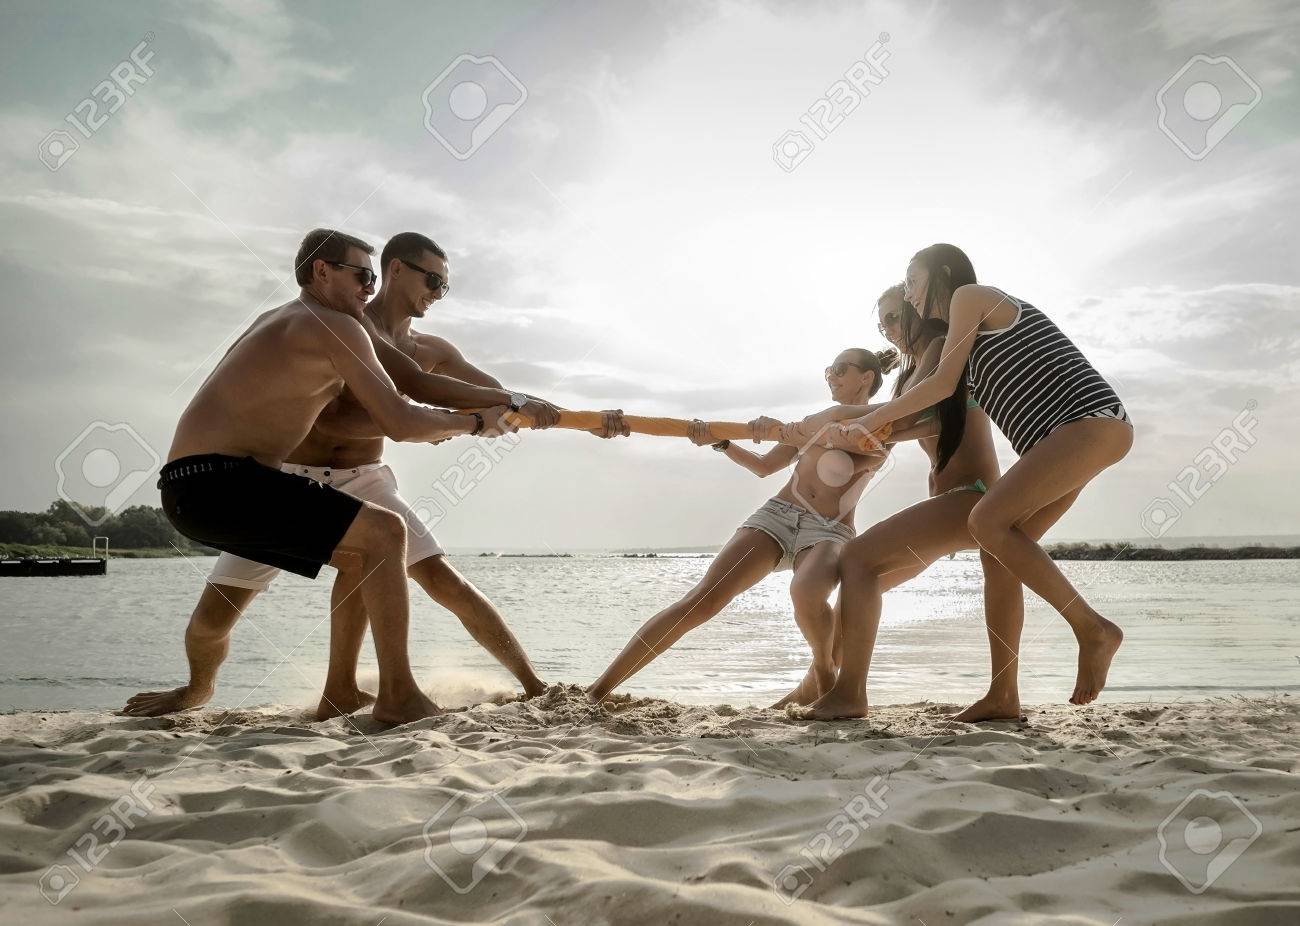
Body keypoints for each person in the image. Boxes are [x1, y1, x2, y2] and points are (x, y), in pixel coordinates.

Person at [126, 231, 628, 720]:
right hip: (259, 479)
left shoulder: (341, 325)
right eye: (363, 275)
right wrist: (473, 424)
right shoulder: (338, 325)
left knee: (386, 552)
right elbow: (403, 416)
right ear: (329, 271)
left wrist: (571, 419)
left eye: (443, 287)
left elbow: (432, 384)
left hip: (250, 482)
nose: (368, 289)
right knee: (354, 549)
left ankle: (336, 692)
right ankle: (396, 698)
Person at [818, 244, 1131, 711]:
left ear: (942, 272)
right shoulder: (964, 346)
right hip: (1065, 441)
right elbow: (936, 407)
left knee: (985, 523)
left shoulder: (971, 295)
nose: (909, 293)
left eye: (912, 280)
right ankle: (1003, 696)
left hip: (1087, 421)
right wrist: (871, 428)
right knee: (1001, 552)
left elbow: (939, 385)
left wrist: (865, 421)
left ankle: (1093, 628)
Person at [587, 348, 897, 704]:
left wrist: (791, 430)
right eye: (829, 371)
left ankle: (824, 674)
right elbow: (764, 466)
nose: (831, 377)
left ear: (866, 378)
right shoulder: (811, 423)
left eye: (841, 369)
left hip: (829, 529)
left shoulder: (882, 426)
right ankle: (597, 692)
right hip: (778, 514)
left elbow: (841, 436)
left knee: (808, 592)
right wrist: (722, 442)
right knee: (701, 601)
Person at [790, 284, 1024, 721]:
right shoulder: (910, 373)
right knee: (861, 587)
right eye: (882, 323)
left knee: (858, 559)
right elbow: (898, 426)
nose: (889, 329)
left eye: (895, 317)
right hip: (951, 503)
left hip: (968, 497)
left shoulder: (939, 347)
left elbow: (907, 416)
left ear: (919, 311)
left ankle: (849, 694)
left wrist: (836, 417)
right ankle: (816, 684)